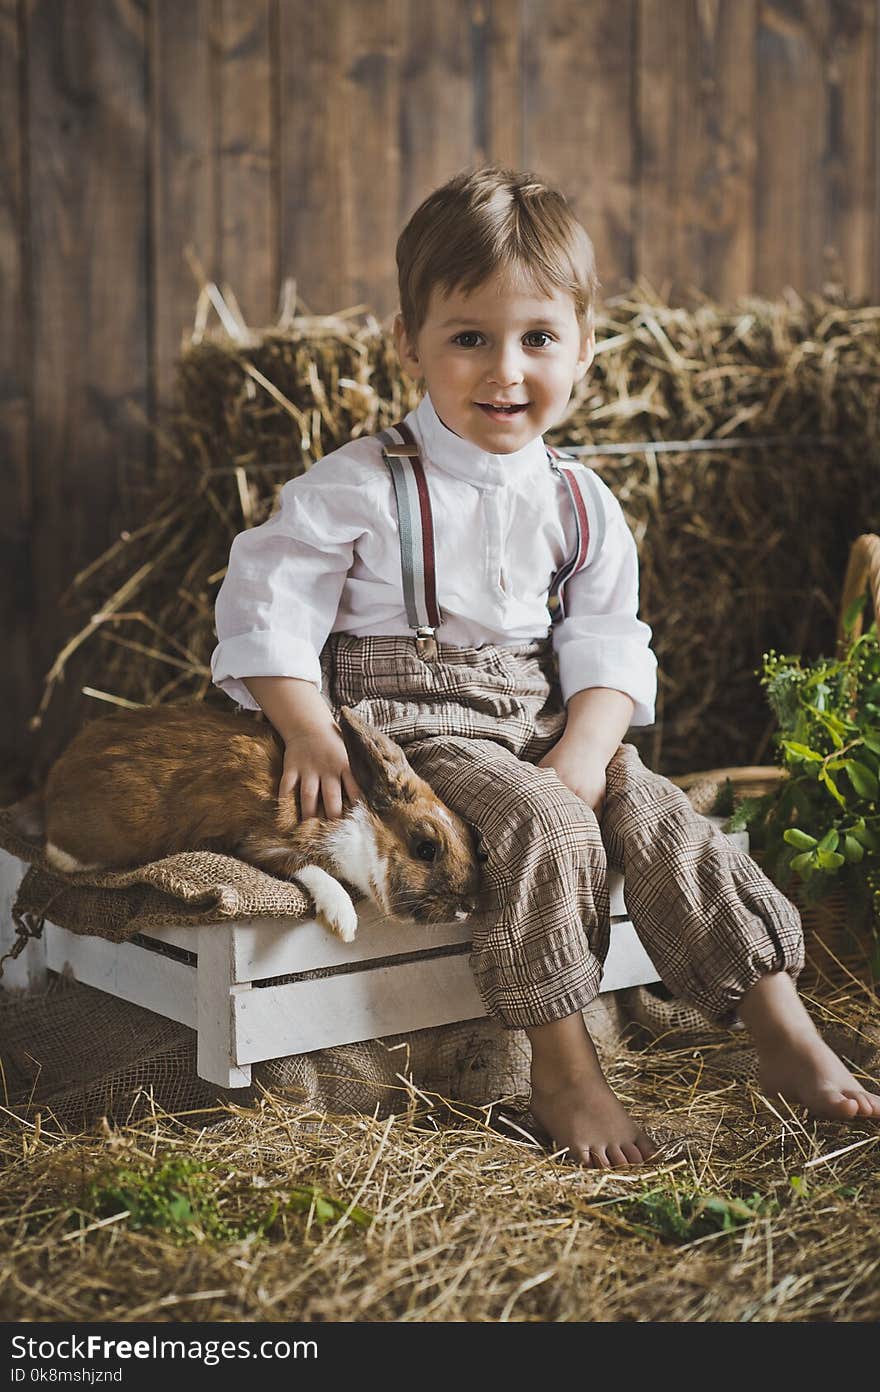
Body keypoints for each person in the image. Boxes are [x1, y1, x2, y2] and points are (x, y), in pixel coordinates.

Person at [211, 165, 880, 1166]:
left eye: (537, 339)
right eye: (468, 337)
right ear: (409, 344)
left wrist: (587, 740)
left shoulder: (580, 500)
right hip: (413, 727)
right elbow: (267, 600)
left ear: (585, 348)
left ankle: (779, 1027)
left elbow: (609, 641)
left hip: (535, 718)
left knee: (660, 812)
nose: (505, 371)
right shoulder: (356, 485)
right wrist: (306, 726)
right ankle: (564, 1071)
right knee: (547, 819)